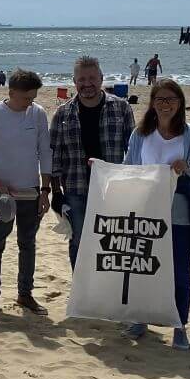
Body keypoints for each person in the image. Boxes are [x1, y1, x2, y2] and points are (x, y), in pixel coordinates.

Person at [123, 78, 190, 349]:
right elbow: (128, 168)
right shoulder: (140, 133)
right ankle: (140, 319)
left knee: (179, 273)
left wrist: (187, 167)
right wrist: (101, 169)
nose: (165, 104)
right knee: (142, 270)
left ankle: (180, 326)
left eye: (171, 99)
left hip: (178, 212)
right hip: (145, 212)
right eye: (160, 99)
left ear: (180, 102)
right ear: (153, 103)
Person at [50, 55, 136, 270]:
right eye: (81, 79)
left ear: (101, 78)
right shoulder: (62, 114)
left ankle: (107, 292)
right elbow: (54, 157)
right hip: (76, 190)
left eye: (92, 78)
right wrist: (56, 194)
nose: (87, 84)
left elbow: (134, 152)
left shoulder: (122, 108)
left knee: (111, 242)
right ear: (74, 81)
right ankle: (81, 292)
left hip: (113, 190)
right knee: (79, 241)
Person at [0, 69, 51, 315]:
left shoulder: (38, 113)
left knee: (27, 243)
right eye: (26, 98)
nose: (30, 102)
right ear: (11, 93)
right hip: (1, 194)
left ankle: (25, 294)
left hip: (31, 192)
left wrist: (45, 189)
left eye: (33, 97)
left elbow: (45, 152)